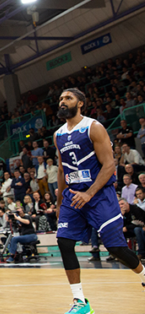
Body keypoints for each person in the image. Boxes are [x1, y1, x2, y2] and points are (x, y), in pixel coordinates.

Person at [53, 88, 145, 314]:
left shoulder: (93, 127)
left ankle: (144, 274)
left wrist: (89, 193)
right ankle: (80, 303)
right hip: (72, 195)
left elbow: (109, 165)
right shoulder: (58, 135)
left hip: (99, 195)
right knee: (64, 242)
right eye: (61, 99)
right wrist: (58, 202)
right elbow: (62, 169)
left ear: (81, 103)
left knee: (115, 247)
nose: (63, 102)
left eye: (68, 98)